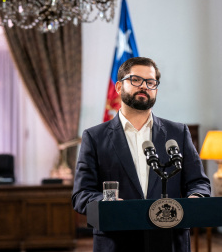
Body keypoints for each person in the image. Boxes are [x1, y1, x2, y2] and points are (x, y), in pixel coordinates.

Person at [72, 57, 211, 252]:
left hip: (169, 241)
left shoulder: (177, 133)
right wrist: (105, 204)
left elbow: (199, 183)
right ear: (119, 87)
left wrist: (196, 198)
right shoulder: (94, 137)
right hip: (116, 242)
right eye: (136, 80)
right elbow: (81, 194)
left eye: (151, 82)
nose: (144, 86)